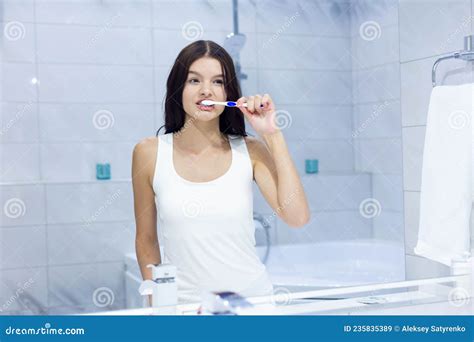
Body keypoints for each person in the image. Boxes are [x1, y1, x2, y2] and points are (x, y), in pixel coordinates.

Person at [132, 40, 310, 305]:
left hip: (252, 305)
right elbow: (146, 240)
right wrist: (157, 303)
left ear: (229, 92)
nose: (207, 90)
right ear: (178, 88)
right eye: (194, 81)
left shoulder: (250, 150)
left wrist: (272, 136)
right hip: (185, 309)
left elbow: (297, 217)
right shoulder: (148, 153)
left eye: (218, 82)